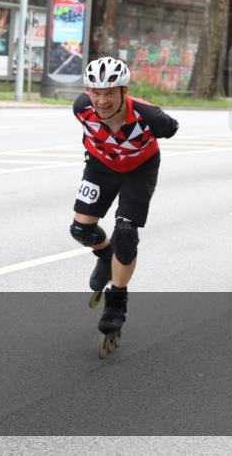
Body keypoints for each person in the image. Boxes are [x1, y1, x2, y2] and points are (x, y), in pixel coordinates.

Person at [68, 57, 179, 356]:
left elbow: (172, 128)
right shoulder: (81, 108)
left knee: (126, 234)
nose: (101, 100)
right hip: (101, 165)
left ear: (123, 91)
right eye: (95, 91)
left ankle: (116, 302)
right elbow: (89, 132)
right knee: (81, 229)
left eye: (109, 93)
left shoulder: (148, 116)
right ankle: (105, 256)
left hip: (139, 170)